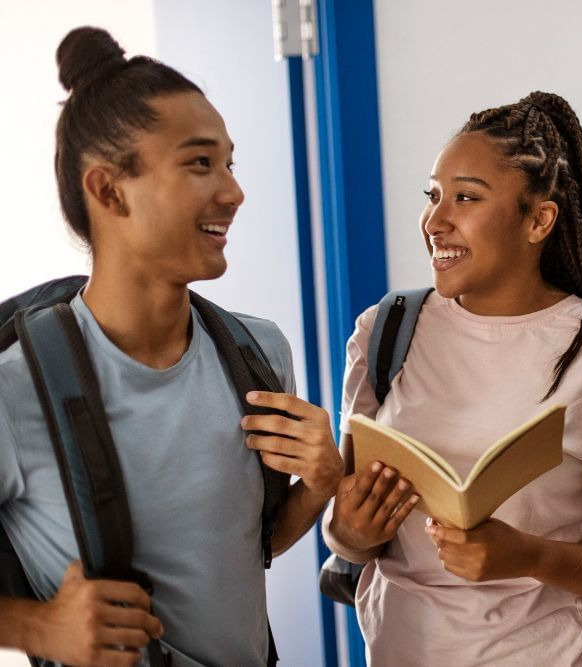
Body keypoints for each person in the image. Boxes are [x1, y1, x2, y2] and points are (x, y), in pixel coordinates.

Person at [0, 27, 343, 666]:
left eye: (229, 163)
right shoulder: (15, 391)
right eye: (198, 163)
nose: (234, 192)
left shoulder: (258, 354)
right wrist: (41, 628)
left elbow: (242, 551)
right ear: (108, 190)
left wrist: (319, 488)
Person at [322, 91, 582, 665]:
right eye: (433, 195)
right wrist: (351, 528)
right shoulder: (386, 331)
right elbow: (344, 535)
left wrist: (530, 557)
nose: (435, 221)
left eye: (465, 197)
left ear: (539, 219)